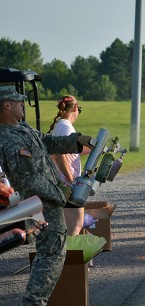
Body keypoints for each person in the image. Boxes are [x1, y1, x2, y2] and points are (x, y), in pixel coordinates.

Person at [0, 86, 93, 305]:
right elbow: (28, 180)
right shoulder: (8, 139)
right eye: (18, 101)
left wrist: (77, 140)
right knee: (51, 255)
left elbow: (47, 141)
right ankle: (33, 302)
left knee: (49, 251)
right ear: (6, 105)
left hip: (44, 201)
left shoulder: (21, 129)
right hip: (41, 202)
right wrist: (61, 193)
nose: (22, 104)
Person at [47, 95, 90, 236]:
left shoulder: (62, 126)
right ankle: (70, 257)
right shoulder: (65, 127)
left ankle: (71, 255)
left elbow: (71, 152)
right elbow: (60, 156)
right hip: (66, 184)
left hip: (62, 183)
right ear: (76, 108)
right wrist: (71, 180)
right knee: (74, 227)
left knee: (70, 226)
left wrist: (95, 149)